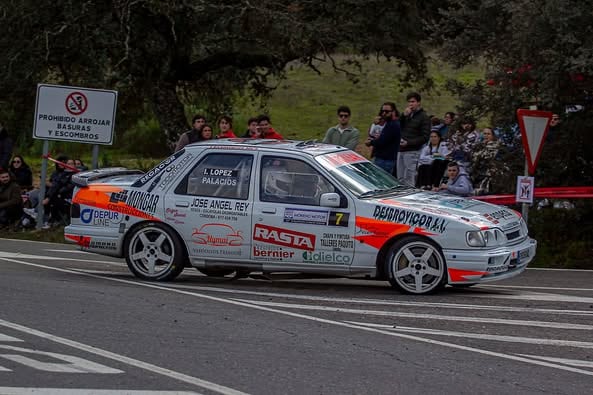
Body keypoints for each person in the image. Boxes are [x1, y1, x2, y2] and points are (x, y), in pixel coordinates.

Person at [397, 92, 431, 185]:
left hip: (412, 150)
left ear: (418, 102)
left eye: (413, 101)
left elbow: (425, 137)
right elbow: (398, 127)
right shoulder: (407, 115)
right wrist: (403, 116)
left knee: (409, 177)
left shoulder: (424, 117)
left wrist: (409, 143)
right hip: (401, 149)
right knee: (400, 177)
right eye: (409, 102)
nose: (410, 104)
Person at [365, 102, 400, 174]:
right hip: (382, 158)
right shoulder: (387, 123)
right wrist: (374, 124)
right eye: (382, 111)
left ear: (393, 112)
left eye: (387, 111)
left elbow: (382, 141)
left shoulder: (393, 125)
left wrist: (370, 142)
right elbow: (371, 134)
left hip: (385, 160)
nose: (384, 113)